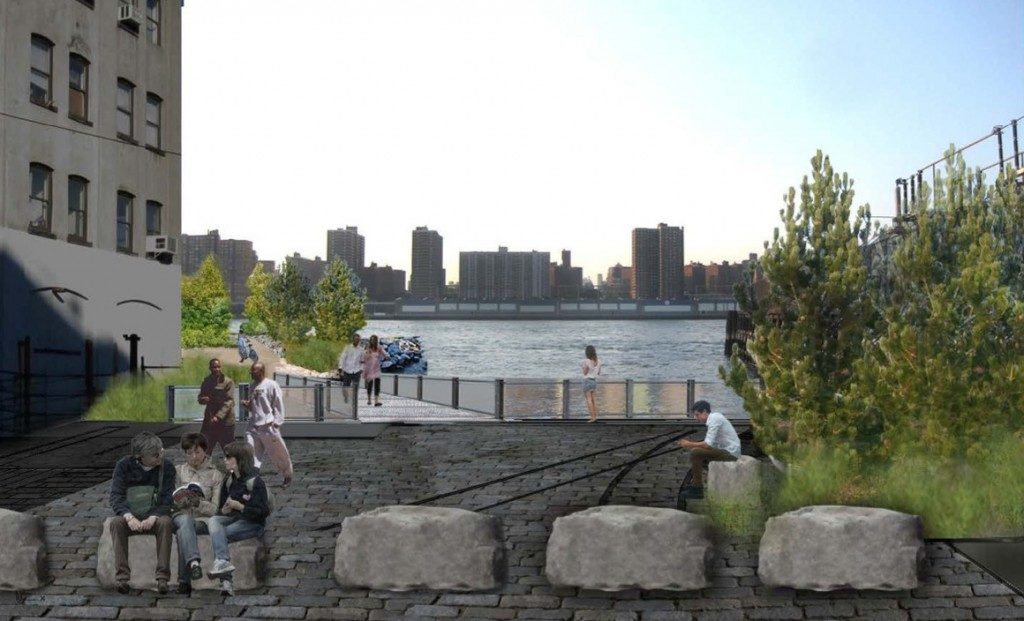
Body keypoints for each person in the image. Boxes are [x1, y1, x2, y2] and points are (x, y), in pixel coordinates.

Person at [107, 432, 176, 594]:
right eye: (154, 454)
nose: (160, 456)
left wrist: (154, 517)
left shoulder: (167, 467)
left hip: (155, 516)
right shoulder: (123, 466)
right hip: (131, 516)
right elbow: (116, 496)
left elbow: (168, 498)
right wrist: (128, 517)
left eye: (161, 451)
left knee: (166, 523)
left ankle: (162, 578)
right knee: (116, 523)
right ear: (140, 457)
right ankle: (122, 578)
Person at [206, 441, 271, 597]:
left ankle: (226, 582)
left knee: (222, 534)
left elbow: (262, 512)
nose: (225, 460)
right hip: (234, 518)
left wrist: (240, 506)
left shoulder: (255, 482)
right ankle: (222, 563)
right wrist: (224, 509)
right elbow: (222, 508)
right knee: (214, 521)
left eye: (229, 457)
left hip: (252, 523)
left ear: (240, 460)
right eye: (225, 457)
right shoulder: (229, 480)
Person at [171, 432, 224, 596]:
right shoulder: (177, 472)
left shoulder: (215, 475)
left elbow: (216, 509)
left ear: (205, 452)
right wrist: (179, 501)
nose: (193, 457)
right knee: (184, 521)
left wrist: (198, 503)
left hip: (201, 521)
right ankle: (192, 566)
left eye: (198, 452)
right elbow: (170, 500)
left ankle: (185, 580)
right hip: (179, 517)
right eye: (189, 453)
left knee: (184, 531)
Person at [240, 362, 293, 487]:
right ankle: (253, 477)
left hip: (268, 425)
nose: (251, 373)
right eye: (251, 370)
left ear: (261, 371)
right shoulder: (252, 386)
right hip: (253, 425)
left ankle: (287, 475)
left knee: (278, 452)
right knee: (250, 450)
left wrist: (277, 422)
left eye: (254, 371)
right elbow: (254, 408)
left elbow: (278, 404)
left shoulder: (271, 385)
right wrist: (247, 405)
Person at [678, 400, 741, 499]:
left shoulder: (714, 419)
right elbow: (711, 445)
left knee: (695, 453)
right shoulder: (715, 418)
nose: (695, 418)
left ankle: (697, 489)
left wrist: (689, 444)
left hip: (731, 453)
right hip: (727, 450)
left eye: (697, 415)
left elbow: (707, 445)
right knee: (697, 452)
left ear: (704, 412)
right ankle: (699, 485)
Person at [198, 358, 236, 455]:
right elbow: (201, 396)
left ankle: (233, 469)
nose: (217, 369)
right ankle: (203, 469)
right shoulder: (206, 381)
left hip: (225, 422)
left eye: (218, 367)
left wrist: (218, 417)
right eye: (214, 367)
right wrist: (202, 399)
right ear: (210, 368)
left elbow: (229, 401)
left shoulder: (228, 382)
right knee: (204, 447)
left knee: (229, 450)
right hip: (209, 421)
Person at [361, 334, 389, 407]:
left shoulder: (379, 347)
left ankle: (376, 401)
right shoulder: (368, 348)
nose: (373, 341)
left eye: (374, 340)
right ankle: (369, 399)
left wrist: (387, 356)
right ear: (370, 340)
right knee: (370, 384)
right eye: (372, 340)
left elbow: (384, 353)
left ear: (376, 340)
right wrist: (367, 354)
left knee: (377, 384)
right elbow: (364, 358)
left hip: (376, 368)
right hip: (369, 368)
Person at [337, 333, 364, 404]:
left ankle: (354, 400)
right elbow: (342, 358)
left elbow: (362, 360)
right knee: (345, 387)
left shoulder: (361, 350)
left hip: (357, 371)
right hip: (347, 370)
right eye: (356, 339)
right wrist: (340, 367)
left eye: (358, 340)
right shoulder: (347, 348)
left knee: (355, 387)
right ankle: (346, 396)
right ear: (353, 340)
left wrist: (361, 369)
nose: (357, 341)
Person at [582, 345, 601, 422]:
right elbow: (599, 372)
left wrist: (584, 368)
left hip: (587, 381)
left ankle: (592, 418)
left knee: (589, 400)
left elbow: (585, 373)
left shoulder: (587, 361)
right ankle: (595, 417)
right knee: (593, 400)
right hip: (594, 381)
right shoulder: (599, 361)